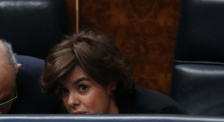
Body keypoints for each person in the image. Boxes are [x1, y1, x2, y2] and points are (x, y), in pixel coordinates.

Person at [40, 31, 187, 114]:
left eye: (83, 88)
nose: (72, 101)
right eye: (65, 91)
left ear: (111, 83)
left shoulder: (159, 115)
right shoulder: (65, 114)